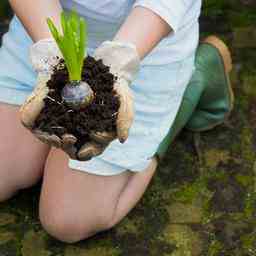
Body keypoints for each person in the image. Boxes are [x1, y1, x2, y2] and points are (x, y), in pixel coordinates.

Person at [0, 0, 233, 243]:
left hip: (145, 46)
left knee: (67, 219)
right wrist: (52, 53)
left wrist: (117, 64)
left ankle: (189, 89)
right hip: (44, 31)